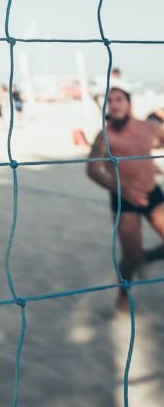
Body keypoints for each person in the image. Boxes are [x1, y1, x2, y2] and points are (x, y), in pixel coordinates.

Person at [86, 85, 164, 312]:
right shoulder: (104, 135)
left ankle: (148, 256)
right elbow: (92, 170)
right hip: (123, 199)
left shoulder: (149, 127)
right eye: (109, 101)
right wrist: (124, 190)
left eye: (119, 99)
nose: (114, 104)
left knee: (143, 254)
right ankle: (123, 293)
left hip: (152, 194)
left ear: (129, 103)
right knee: (130, 258)